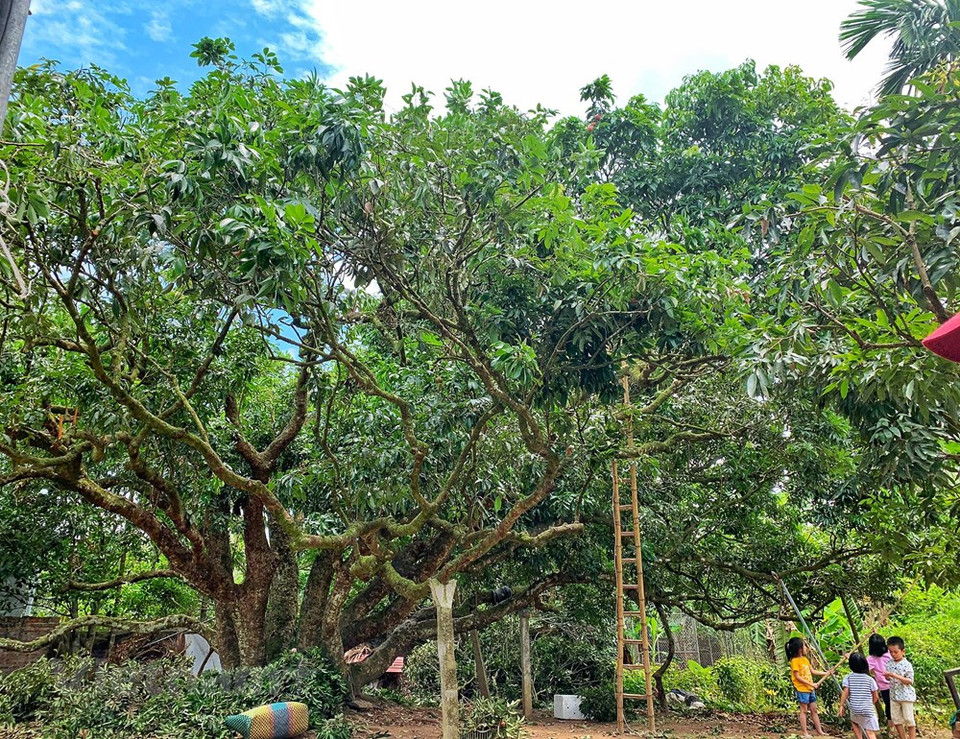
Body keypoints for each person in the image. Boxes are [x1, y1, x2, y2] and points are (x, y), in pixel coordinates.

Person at [786, 636, 833, 737]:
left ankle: (819, 731)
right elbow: (797, 677)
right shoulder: (794, 661)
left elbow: (813, 671)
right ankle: (805, 733)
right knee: (804, 711)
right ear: (799, 649)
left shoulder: (805, 660)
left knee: (814, 710)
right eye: (804, 646)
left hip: (810, 689)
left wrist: (826, 673)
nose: (806, 648)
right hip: (802, 689)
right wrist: (811, 684)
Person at [839, 652, 881, 739]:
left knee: (855, 723)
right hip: (867, 709)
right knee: (870, 732)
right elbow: (876, 696)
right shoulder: (870, 680)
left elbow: (845, 692)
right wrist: (871, 704)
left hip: (855, 708)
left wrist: (841, 705)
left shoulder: (848, 677)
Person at [883, 636, 916, 739]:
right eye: (891, 652)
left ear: (903, 651)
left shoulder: (907, 665)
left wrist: (895, 675)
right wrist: (888, 677)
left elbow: (909, 681)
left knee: (909, 719)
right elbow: (889, 679)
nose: (893, 654)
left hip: (906, 696)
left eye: (895, 652)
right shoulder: (889, 663)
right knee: (896, 719)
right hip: (894, 695)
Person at [866, 633, 892, 726]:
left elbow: (861, 666)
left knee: (889, 706)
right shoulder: (889, 653)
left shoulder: (871, 659)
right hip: (893, 684)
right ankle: (894, 728)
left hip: (885, 686)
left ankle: (891, 727)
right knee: (894, 706)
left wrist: (850, 657)